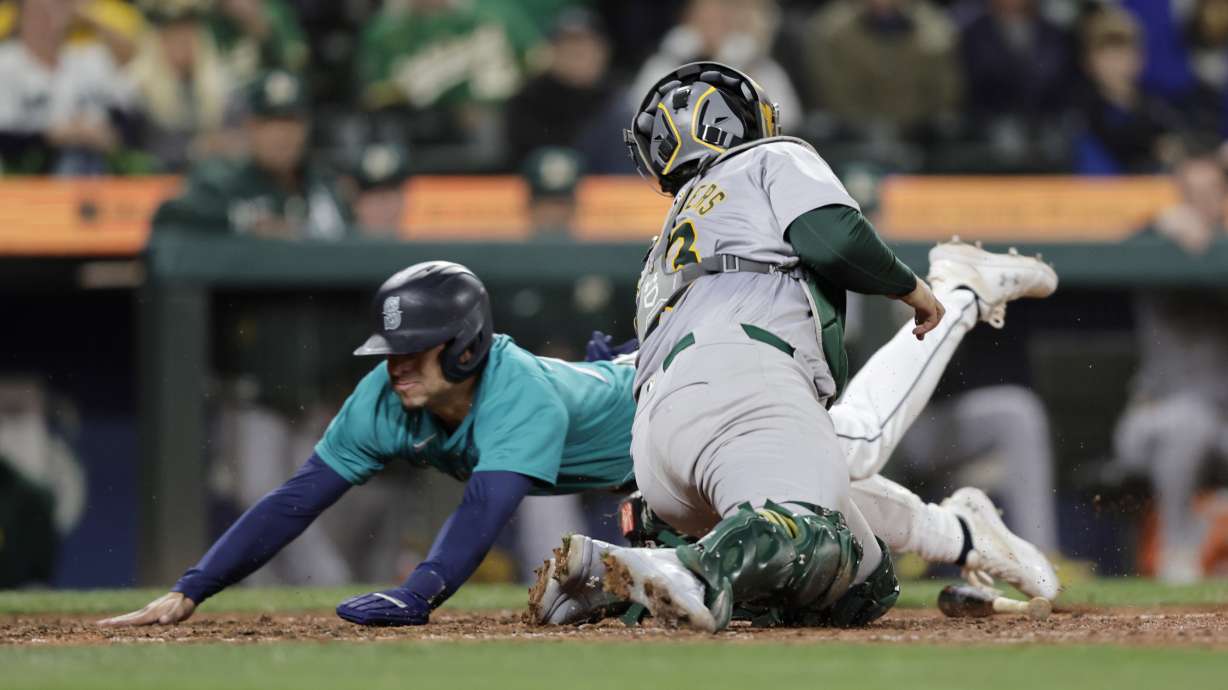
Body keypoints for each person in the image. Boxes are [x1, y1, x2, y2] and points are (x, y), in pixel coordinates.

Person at [98, 242, 1058, 630]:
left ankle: (960, 288)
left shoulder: (511, 394)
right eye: (391, 350)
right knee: (819, 494)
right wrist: (190, 591)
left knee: (850, 442)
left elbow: (487, 507)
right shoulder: (385, 397)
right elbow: (296, 497)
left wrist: (419, 595)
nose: (397, 366)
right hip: (673, 458)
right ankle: (965, 535)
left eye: (417, 351)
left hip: (694, 406)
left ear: (467, 350)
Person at [572, 61, 1052, 633]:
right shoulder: (767, 156)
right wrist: (918, 292)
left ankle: (957, 532)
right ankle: (963, 288)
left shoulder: (662, 250)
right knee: (857, 446)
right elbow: (835, 239)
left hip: (657, 442)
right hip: (742, 383)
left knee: (863, 587)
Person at [1112, 151, 1228, 582]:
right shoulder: (1156, 240)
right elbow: (1117, 256)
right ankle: (1176, 551)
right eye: (1191, 194)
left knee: (1202, 420)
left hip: (1221, 423)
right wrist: (1158, 230)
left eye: (1212, 192)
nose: (1202, 204)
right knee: (1188, 421)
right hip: (1154, 419)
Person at [152, 69, 351, 238]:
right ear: (251, 128)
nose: (282, 136)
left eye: (291, 123)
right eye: (270, 124)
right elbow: (169, 213)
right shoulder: (222, 181)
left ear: (306, 128)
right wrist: (245, 220)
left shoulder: (323, 184)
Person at [0, 0, 136, 175]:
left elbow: (129, 114)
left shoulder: (87, 58)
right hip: (30, 177)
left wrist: (109, 135)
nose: (49, 18)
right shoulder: (6, 63)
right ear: (22, 15)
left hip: (96, 168)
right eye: (40, 11)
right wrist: (51, 136)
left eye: (56, 8)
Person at [633, 0, 802, 132]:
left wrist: (749, 81)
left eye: (721, 18)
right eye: (704, 17)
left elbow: (788, 119)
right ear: (687, 19)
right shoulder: (665, 64)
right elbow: (641, 115)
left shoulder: (758, 66)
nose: (712, 24)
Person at [806, 0, 962, 139]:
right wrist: (866, 125)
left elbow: (946, 91)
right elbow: (834, 92)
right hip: (855, 131)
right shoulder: (832, 31)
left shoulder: (934, 30)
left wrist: (917, 126)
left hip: (922, 131)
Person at [126, 0, 243, 173]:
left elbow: (239, 134)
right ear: (158, 41)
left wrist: (226, 143)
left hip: (217, 181)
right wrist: (193, 150)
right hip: (158, 183)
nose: (183, 42)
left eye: (189, 35)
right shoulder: (136, 89)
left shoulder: (223, 86)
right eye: (173, 35)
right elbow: (136, 151)